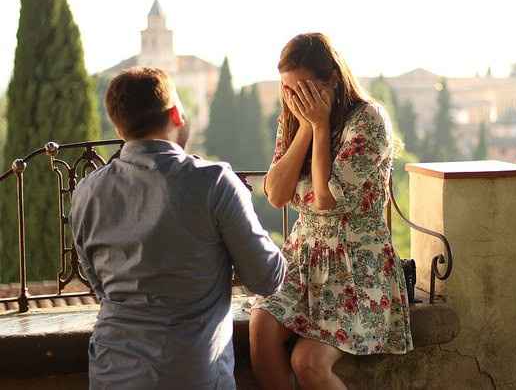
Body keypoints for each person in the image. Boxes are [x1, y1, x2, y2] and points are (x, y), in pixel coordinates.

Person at [70, 67, 287, 390]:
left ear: (118, 124)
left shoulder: (86, 191)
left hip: (111, 372)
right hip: (193, 373)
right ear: (175, 114)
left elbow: (98, 283)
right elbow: (266, 277)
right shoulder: (213, 183)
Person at [250, 33, 413, 390]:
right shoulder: (292, 120)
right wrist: (306, 127)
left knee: (307, 361)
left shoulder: (368, 120)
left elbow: (325, 199)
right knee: (261, 325)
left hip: (357, 269)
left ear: (333, 79)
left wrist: (321, 126)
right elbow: (276, 195)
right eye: (287, 90)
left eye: (304, 89)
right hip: (303, 261)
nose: (294, 99)